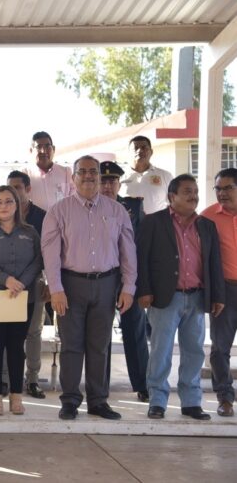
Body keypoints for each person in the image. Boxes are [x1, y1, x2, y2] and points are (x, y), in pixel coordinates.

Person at [41, 156, 136, 421]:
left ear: (100, 177)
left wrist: (128, 286)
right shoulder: (59, 211)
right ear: (73, 178)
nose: (88, 176)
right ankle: (70, 400)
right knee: (72, 345)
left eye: (93, 172)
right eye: (82, 172)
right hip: (70, 285)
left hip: (107, 284)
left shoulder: (116, 211)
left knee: (100, 345)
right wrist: (56, 289)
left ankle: (98, 401)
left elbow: (128, 251)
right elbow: (50, 254)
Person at [138, 174, 225, 421]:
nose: (193, 196)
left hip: (197, 298)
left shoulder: (206, 225)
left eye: (195, 191)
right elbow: (141, 258)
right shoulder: (154, 222)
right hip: (166, 298)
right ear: (171, 196)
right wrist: (143, 290)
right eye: (187, 191)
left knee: (194, 352)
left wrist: (216, 295)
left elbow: (214, 263)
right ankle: (157, 401)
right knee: (161, 352)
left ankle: (191, 402)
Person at [0, 186, 42, 415]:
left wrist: (20, 282)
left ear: (17, 205)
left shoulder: (30, 232)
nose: (4, 206)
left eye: (9, 201)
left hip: (23, 297)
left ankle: (16, 396)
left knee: (16, 346)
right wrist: (7, 280)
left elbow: (37, 261)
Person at [99, 161, 149, 402]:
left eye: (112, 181)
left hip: (130, 279)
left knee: (135, 331)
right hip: (101, 279)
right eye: (103, 180)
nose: (107, 185)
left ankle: (143, 384)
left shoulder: (134, 206)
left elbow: (142, 246)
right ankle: (101, 386)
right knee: (100, 335)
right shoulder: (88, 207)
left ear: (119, 183)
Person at [3, 170, 48, 399]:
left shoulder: (42, 216)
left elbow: (45, 252)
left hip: (32, 282)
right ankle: (5, 380)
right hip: (5, 285)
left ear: (28, 189)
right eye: (10, 187)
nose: (14, 192)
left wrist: (30, 279)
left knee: (33, 333)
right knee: (5, 333)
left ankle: (32, 380)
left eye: (18, 187)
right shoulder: (0, 213)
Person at [202, 167, 237, 417]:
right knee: (219, 348)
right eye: (218, 189)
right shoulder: (207, 217)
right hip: (224, 290)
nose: (222, 193)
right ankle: (224, 397)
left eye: (228, 188)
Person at [120, 135, 174, 214]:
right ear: (128, 153)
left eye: (144, 148)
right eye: (135, 148)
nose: (139, 151)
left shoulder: (165, 176)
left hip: (156, 225)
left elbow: (174, 204)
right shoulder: (120, 177)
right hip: (128, 225)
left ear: (151, 152)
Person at [23, 131, 75, 212]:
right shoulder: (24, 174)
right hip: (34, 223)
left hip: (61, 222)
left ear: (53, 149)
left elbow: (73, 201)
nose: (43, 151)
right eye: (39, 147)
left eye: (47, 146)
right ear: (31, 151)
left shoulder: (66, 172)